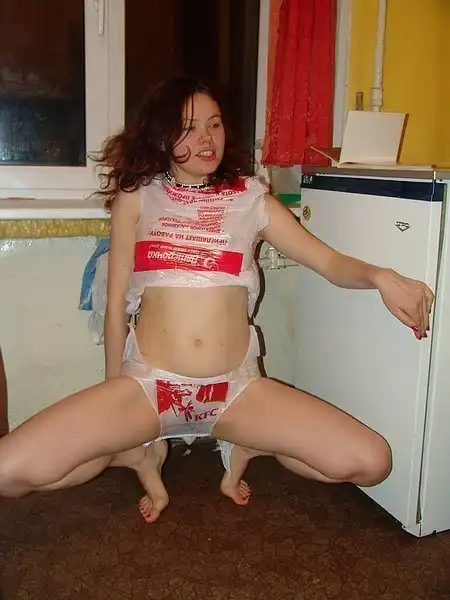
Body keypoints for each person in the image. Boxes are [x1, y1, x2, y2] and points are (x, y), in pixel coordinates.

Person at [0, 77, 434, 524]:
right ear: (162, 137)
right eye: (188, 128)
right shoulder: (137, 198)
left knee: (371, 462)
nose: (207, 139)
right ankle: (139, 455)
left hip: (236, 391)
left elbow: (330, 262)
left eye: (214, 124)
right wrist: (115, 408)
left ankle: (250, 444)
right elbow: (115, 308)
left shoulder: (252, 199)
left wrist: (381, 276)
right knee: (7, 472)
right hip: (149, 388)